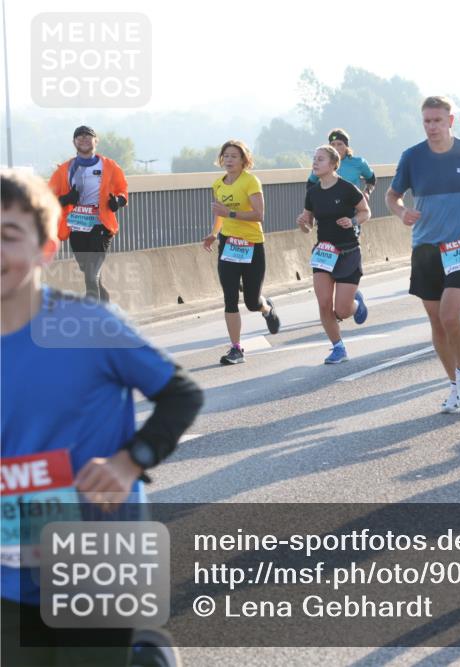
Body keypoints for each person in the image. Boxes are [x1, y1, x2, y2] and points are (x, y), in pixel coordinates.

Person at [1, 169, 204, 667]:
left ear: (47, 249)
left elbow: (181, 394)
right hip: (8, 564)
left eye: (8, 235)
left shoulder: (88, 325)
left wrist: (130, 461)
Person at [385, 96, 460, 414]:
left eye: (438, 120)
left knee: (450, 316)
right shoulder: (412, 157)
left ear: (450, 121)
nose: (432, 127)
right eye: (427, 121)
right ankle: (456, 385)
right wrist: (402, 212)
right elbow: (392, 195)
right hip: (425, 248)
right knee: (437, 322)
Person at [202, 140, 281, 365]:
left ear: (243, 160)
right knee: (230, 298)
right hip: (228, 244)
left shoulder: (250, 181)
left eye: (234, 156)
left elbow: (259, 215)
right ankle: (236, 349)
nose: (229, 160)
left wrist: (231, 213)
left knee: (251, 301)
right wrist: (214, 233)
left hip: (252, 244)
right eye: (225, 156)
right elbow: (220, 214)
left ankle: (266, 308)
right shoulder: (218, 184)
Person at [296, 145, 371, 363]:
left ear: (333, 164)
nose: (315, 162)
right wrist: (302, 223)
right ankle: (338, 348)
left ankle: (356, 304)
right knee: (323, 304)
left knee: (343, 310)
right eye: (314, 158)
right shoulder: (312, 193)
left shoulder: (347, 189)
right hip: (324, 253)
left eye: (320, 159)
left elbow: (365, 212)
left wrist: (353, 221)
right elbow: (308, 226)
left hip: (348, 251)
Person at [47, 126, 128, 302]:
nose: (83, 139)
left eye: (88, 136)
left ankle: (92, 312)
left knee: (91, 276)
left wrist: (117, 202)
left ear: (96, 141)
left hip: (101, 227)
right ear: (74, 142)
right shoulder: (65, 170)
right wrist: (66, 199)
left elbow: (123, 190)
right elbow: (47, 199)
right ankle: (105, 302)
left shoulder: (109, 166)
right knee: (88, 271)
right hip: (77, 227)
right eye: (79, 136)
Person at [308, 128, 376, 196]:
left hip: (353, 202)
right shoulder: (322, 164)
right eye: (332, 144)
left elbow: (371, 179)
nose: (336, 148)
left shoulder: (359, 163)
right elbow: (310, 183)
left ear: (346, 146)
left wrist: (367, 193)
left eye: (339, 144)